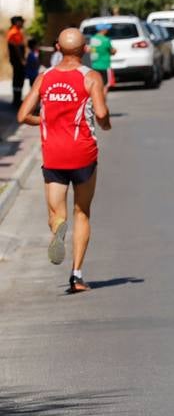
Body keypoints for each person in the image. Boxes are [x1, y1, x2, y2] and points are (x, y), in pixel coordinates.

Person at [17, 27, 111, 293]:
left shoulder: (45, 77)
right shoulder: (91, 77)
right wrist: (105, 124)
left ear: (57, 49)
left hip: (54, 155)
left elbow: (23, 115)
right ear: (84, 50)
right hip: (83, 155)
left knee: (56, 213)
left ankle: (58, 229)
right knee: (82, 212)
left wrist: (44, 119)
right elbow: (102, 115)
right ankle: (76, 275)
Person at [7, 16, 26, 106]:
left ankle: (17, 99)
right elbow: (17, 47)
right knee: (18, 79)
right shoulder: (14, 32)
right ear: (17, 22)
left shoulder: (15, 31)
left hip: (17, 60)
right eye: (21, 22)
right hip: (17, 60)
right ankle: (16, 100)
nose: (22, 23)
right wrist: (21, 59)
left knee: (18, 79)